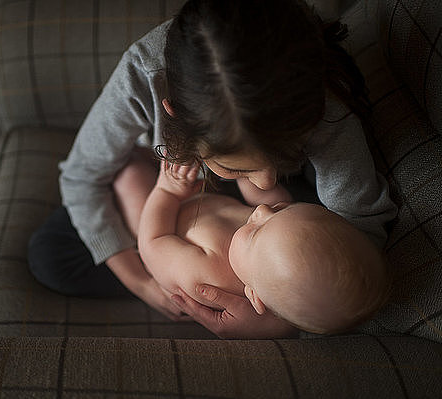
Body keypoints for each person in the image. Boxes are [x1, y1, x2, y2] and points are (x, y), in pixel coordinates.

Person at [28, 0, 397, 337]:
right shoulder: (144, 76)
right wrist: (142, 282)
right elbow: (81, 179)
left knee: (309, 254)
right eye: (238, 168)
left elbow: (356, 246)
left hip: (230, 219)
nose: (268, 185)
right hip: (176, 181)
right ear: (176, 117)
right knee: (51, 254)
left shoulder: (313, 88)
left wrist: (284, 317)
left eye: (285, 154)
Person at [113, 152, 390, 338]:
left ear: (254, 296)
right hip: (202, 196)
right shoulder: (276, 249)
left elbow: (153, 243)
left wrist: (166, 192)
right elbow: (260, 194)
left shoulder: (206, 275)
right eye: (282, 210)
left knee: (130, 175)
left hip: (160, 219)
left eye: (257, 231)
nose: (261, 212)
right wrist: (246, 171)